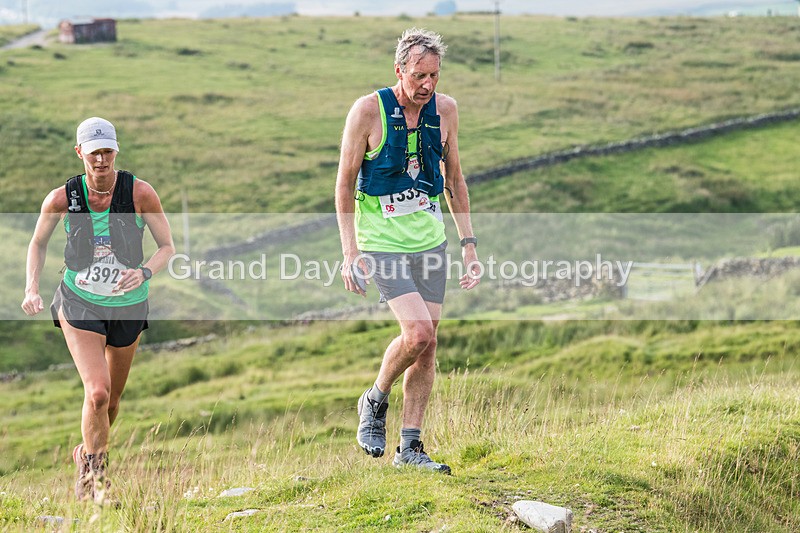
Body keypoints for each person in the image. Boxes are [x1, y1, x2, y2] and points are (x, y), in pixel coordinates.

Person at [335, 28, 480, 474]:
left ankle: (410, 448)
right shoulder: (367, 111)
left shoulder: (447, 111)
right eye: (419, 75)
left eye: (434, 75)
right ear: (399, 70)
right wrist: (350, 251)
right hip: (381, 244)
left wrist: (468, 245)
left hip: (429, 241)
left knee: (429, 345)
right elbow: (343, 184)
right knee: (417, 334)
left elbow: (454, 181)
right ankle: (375, 398)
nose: (427, 84)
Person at [21, 117, 175, 503]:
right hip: (79, 302)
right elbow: (37, 244)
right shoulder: (61, 198)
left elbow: (167, 248)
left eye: (108, 152)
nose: (102, 160)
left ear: (116, 151)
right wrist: (32, 288)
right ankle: (94, 484)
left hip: (128, 307)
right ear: (80, 154)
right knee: (98, 394)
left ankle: (85, 455)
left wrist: (143, 273)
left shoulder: (140, 193)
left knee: (114, 402)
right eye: (94, 154)